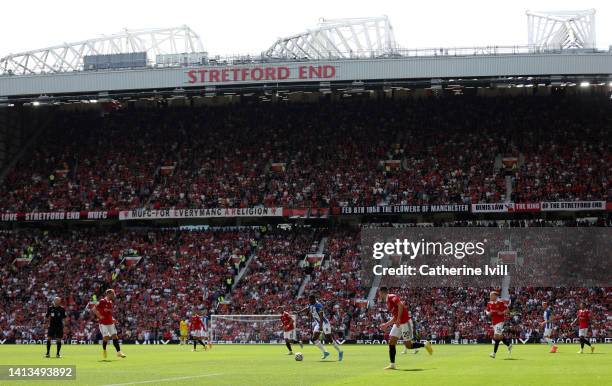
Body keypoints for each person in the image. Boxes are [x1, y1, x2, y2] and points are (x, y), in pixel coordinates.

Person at [378, 287, 432, 370]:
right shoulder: (387, 302)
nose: (379, 294)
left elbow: (400, 305)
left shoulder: (391, 297)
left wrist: (399, 319)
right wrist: (386, 324)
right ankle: (392, 364)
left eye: (379, 293)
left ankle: (425, 344)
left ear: (382, 292)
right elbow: (395, 317)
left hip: (405, 322)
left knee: (409, 345)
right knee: (391, 341)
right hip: (398, 323)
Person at [297, 294, 343, 361]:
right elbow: (307, 308)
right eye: (308, 300)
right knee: (314, 339)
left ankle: (340, 351)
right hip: (318, 323)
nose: (309, 301)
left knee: (329, 339)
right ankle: (325, 352)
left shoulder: (318, 306)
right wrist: (299, 312)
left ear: (313, 299)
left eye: (310, 300)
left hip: (324, 323)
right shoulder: (311, 304)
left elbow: (321, 317)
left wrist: (321, 326)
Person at [93, 289, 126, 359]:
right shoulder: (102, 301)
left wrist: (113, 319)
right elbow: (94, 309)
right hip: (103, 323)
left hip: (110, 322)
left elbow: (109, 313)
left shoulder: (110, 302)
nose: (114, 295)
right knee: (106, 337)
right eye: (113, 294)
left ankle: (119, 352)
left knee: (115, 336)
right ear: (108, 294)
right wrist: (99, 316)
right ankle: (104, 350)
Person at [485, 291, 512, 359]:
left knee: (496, 336)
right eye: (490, 295)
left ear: (495, 296)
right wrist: (488, 313)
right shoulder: (489, 303)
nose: (490, 297)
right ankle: (509, 344)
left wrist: (502, 312)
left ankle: (494, 353)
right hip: (494, 322)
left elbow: (508, 310)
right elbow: (487, 311)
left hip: (500, 321)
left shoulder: (501, 302)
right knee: (499, 336)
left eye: (491, 295)